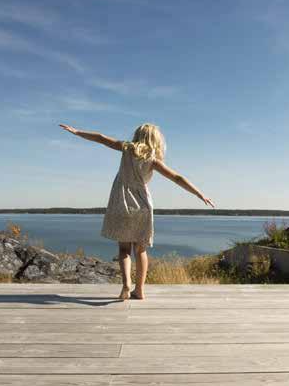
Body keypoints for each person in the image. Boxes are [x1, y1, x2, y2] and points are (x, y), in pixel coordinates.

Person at [59, 123, 214, 299]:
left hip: (121, 203)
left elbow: (101, 138)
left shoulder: (126, 148)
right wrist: (199, 194)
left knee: (124, 249)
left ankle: (126, 285)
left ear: (137, 135)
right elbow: (177, 178)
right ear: (155, 140)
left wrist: (78, 132)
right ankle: (139, 290)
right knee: (140, 250)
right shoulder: (153, 160)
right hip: (142, 205)